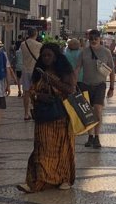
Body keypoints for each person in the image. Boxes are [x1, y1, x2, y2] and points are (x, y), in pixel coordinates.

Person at [18, 43, 78, 193]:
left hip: (60, 116)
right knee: (40, 149)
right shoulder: (39, 71)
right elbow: (31, 90)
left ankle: (64, 178)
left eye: (49, 55)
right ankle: (35, 182)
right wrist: (38, 95)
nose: (46, 58)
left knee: (61, 150)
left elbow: (71, 89)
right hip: (43, 116)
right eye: (43, 55)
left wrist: (52, 81)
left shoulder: (64, 71)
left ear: (55, 56)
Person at [80, 28, 116, 149]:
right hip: (85, 84)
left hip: (100, 84)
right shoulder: (83, 52)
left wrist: (112, 87)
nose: (93, 41)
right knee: (87, 112)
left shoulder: (106, 52)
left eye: (96, 39)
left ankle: (97, 136)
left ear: (100, 39)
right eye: (91, 39)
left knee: (98, 110)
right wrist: (72, 83)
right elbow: (76, 69)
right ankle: (90, 136)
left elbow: (112, 70)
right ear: (88, 39)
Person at [18, 30, 43, 121]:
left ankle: (26, 113)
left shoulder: (23, 44)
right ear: (35, 34)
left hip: (25, 70)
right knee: (36, 91)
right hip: (35, 70)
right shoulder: (39, 45)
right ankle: (36, 111)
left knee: (26, 92)